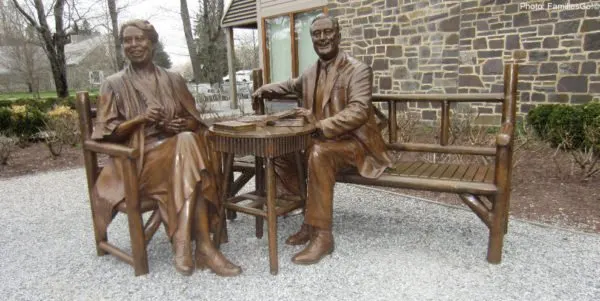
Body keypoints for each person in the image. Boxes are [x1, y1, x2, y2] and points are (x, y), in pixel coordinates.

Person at [91, 19, 241, 277]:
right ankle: (200, 246)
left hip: (178, 160)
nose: (134, 45)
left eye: (140, 39)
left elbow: (195, 120)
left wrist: (184, 123)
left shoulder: (173, 79)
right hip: (136, 164)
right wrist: (141, 119)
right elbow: (105, 136)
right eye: (128, 40)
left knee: (187, 141)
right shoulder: (113, 84)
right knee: (191, 151)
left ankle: (189, 244)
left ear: (152, 42)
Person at [252, 14, 392, 265]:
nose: (323, 38)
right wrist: (264, 89)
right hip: (322, 141)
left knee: (319, 153)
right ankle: (307, 219)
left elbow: (359, 110)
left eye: (328, 32)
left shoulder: (357, 70)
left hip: (355, 145)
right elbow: (289, 85)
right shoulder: (311, 72)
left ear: (338, 35)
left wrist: (321, 125)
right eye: (317, 34)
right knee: (283, 149)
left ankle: (323, 236)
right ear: (312, 39)